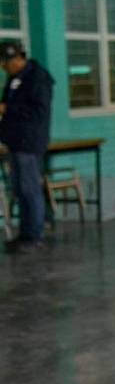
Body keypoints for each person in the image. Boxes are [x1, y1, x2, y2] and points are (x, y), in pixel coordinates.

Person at [0, 41, 54, 253]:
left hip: (29, 143)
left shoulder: (37, 78)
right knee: (20, 189)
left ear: (16, 59)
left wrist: (7, 109)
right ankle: (25, 234)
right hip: (15, 141)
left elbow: (38, 112)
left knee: (30, 190)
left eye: (5, 64)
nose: (4, 68)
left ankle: (35, 235)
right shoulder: (15, 78)